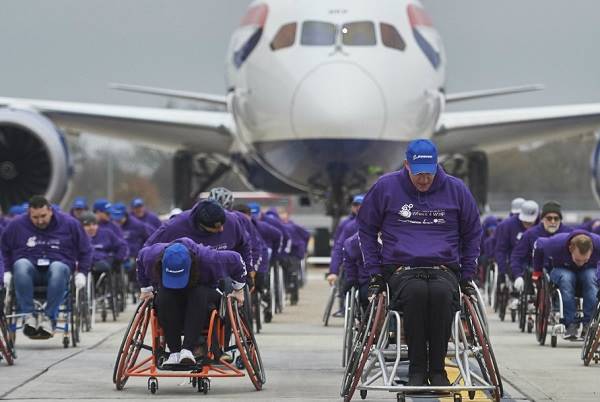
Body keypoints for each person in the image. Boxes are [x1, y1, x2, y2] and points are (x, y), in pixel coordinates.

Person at [358, 139, 482, 387]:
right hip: (403, 268)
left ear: (437, 166)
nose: (424, 180)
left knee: (440, 295)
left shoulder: (457, 189)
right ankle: (416, 368)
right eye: (418, 174)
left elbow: (472, 233)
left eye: (429, 173)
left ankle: (437, 369)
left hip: (443, 268)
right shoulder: (386, 187)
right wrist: (375, 273)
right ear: (406, 165)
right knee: (415, 294)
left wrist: (467, 275)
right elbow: (366, 229)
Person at [137, 238, 247, 365]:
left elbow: (237, 260)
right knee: (163, 295)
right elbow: (139, 259)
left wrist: (239, 289)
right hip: (169, 293)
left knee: (198, 293)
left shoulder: (209, 259)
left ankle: (187, 350)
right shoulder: (151, 257)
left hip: (203, 291)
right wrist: (146, 289)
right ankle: (174, 352)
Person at [1, 196, 91, 338]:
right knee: (20, 264)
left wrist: (82, 273)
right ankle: (28, 315)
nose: (40, 221)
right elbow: (4, 249)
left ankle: (49, 318)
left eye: (43, 216)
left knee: (58, 267)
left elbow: (85, 249)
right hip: (29, 271)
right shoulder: (16, 225)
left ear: (50, 211)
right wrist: (6, 270)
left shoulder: (70, 224)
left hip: (58, 270)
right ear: (29, 214)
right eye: (35, 217)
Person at [532, 230, 600, 339]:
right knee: (567, 278)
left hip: (588, 272)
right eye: (578, 260)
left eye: (585, 259)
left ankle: (589, 324)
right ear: (570, 248)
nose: (581, 263)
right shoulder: (555, 243)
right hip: (562, 269)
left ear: (592, 250)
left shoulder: (597, 243)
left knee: (591, 278)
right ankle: (570, 324)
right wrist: (537, 271)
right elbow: (538, 245)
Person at [512, 201, 572, 285]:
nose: (553, 221)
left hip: (562, 273)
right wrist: (518, 276)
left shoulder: (569, 234)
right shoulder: (530, 234)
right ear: (542, 219)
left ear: (560, 220)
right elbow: (517, 257)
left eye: (556, 218)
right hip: (536, 275)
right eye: (549, 218)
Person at [494, 199, 539, 282]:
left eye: (530, 222)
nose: (527, 224)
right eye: (525, 221)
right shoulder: (507, 225)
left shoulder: (542, 225)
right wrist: (502, 271)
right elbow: (501, 249)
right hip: (514, 260)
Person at [79, 212, 128, 284]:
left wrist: (118, 259)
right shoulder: (77, 237)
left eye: (94, 224)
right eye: (87, 225)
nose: (91, 228)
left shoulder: (107, 233)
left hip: (103, 262)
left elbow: (122, 246)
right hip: (84, 264)